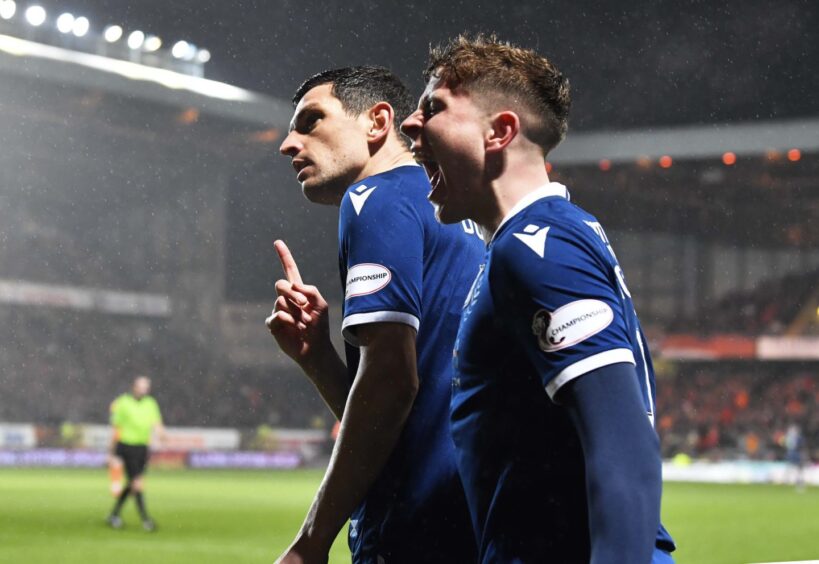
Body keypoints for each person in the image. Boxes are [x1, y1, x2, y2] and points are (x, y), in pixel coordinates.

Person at [401, 35, 676, 563]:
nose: (412, 127)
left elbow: (625, 447)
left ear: (500, 132)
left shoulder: (537, 246)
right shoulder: (526, 243)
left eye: (433, 107)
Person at [268, 66, 482, 563]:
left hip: (415, 527)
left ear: (377, 121)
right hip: (474, 519)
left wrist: (311, 539)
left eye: (310, 121)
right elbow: (398, 418)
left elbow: (390, 382)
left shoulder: (375, 198)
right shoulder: (459, 216)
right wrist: (318, 356)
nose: (286, 143)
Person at [106, 375, 165, 531]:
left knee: (133, 484)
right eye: (141, 386)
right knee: (137, 483)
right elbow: (116, 427)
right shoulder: (123, 402)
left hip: (142, 448)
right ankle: (146, 520)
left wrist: (162, 435)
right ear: (134, 387)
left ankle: (113, 515)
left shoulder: (150, 403)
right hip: (126, 446)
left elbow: (157, 423)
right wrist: (111, 452)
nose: (144, 389)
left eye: (146, 387)